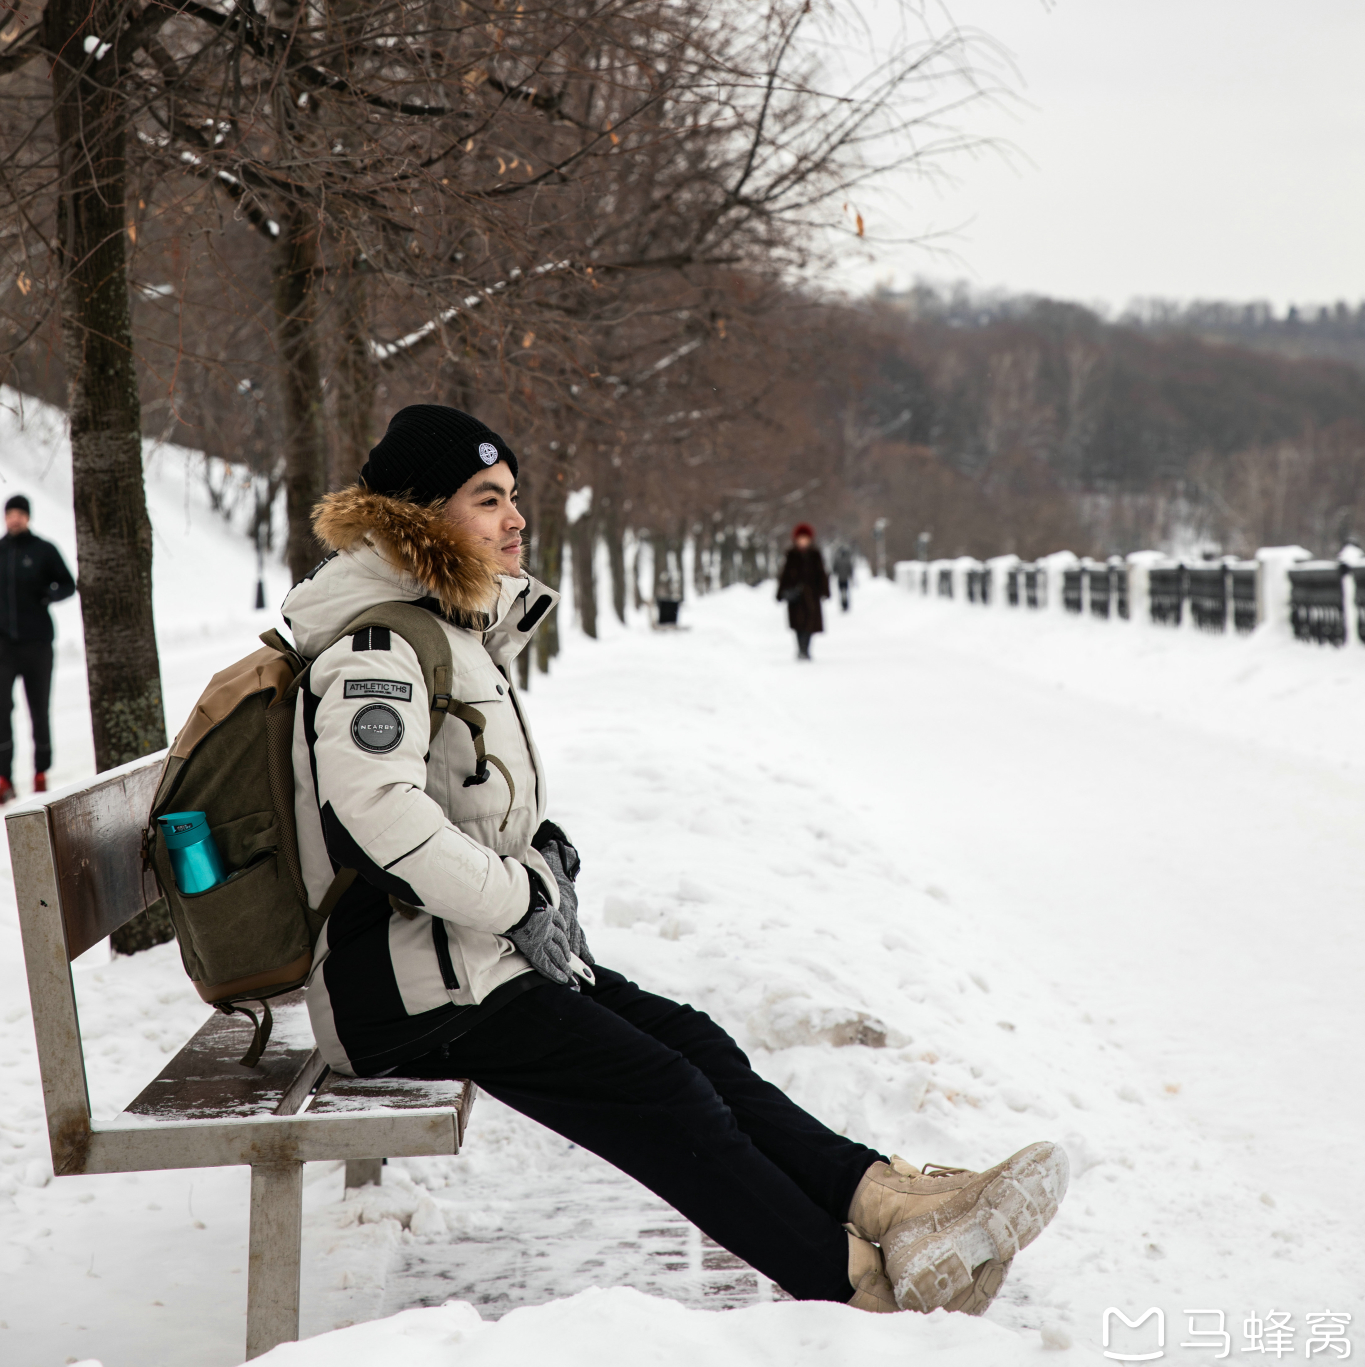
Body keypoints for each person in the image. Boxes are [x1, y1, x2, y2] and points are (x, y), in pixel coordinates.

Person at [285, 406, 1068, 1314]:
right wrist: (514, 899)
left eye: (513, 497)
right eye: (486, 498)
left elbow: (461, 799)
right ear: (419, 517)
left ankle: (890, 1204)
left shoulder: (442, 629)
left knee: (694, 1043)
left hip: (466, 960)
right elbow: (379, 817)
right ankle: (857, 1286)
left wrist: (540, 861)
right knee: (661, 1091)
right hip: (408, 996)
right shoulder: (377, 647)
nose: (515, 518)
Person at [0, 493, 76, 803]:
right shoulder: (0, 551)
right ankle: (4, 778)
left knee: (39, 710)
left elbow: (68, 584)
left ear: (28, 517)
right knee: (2, 710)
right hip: (3, 647)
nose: (15, 518)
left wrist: (48, 594)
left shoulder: (44, 551)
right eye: (10, 513)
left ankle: (41, 773)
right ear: (5, 518)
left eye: (20, 513)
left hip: (38, 645)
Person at [776, 521, 830, 660]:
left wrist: (825, 590)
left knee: (810, 623)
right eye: (801, 538)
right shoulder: (791, 555)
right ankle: (800, 648)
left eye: (805, 538)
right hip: (795, 596)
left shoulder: (815, 554)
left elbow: (821, 573)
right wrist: (781, 592)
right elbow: (785, 575)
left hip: (812, 595)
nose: (803, 541)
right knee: (797, 624)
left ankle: (806, 649)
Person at [832, 542, 854, 613]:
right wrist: (850, 575)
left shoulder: (837, 560)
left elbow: (834, 569)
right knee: (845, 592)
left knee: (842, 592)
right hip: (845, 579)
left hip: (840, 579)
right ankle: (846, 605)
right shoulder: (847, 560)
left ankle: (843, 605)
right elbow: (850, 569)